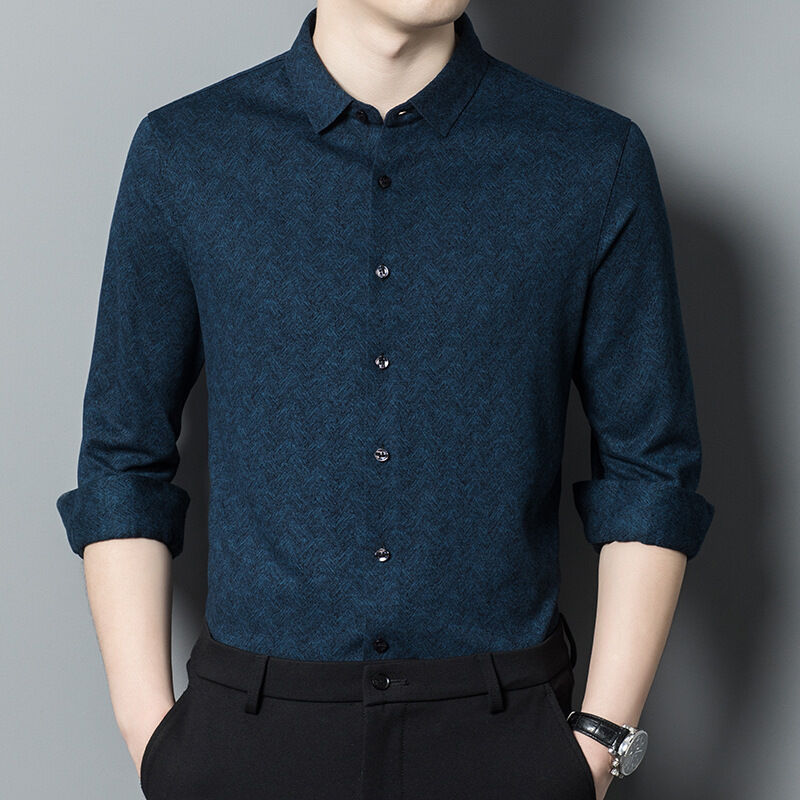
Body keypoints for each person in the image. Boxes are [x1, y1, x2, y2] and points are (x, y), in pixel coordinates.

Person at [56, 2, 715, 798]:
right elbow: (123, 458)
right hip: (251, 740)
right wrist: (154, 739)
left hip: (504, 739)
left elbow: (650, 470)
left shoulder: (591, 158)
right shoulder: (187, 153)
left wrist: (599, 742)